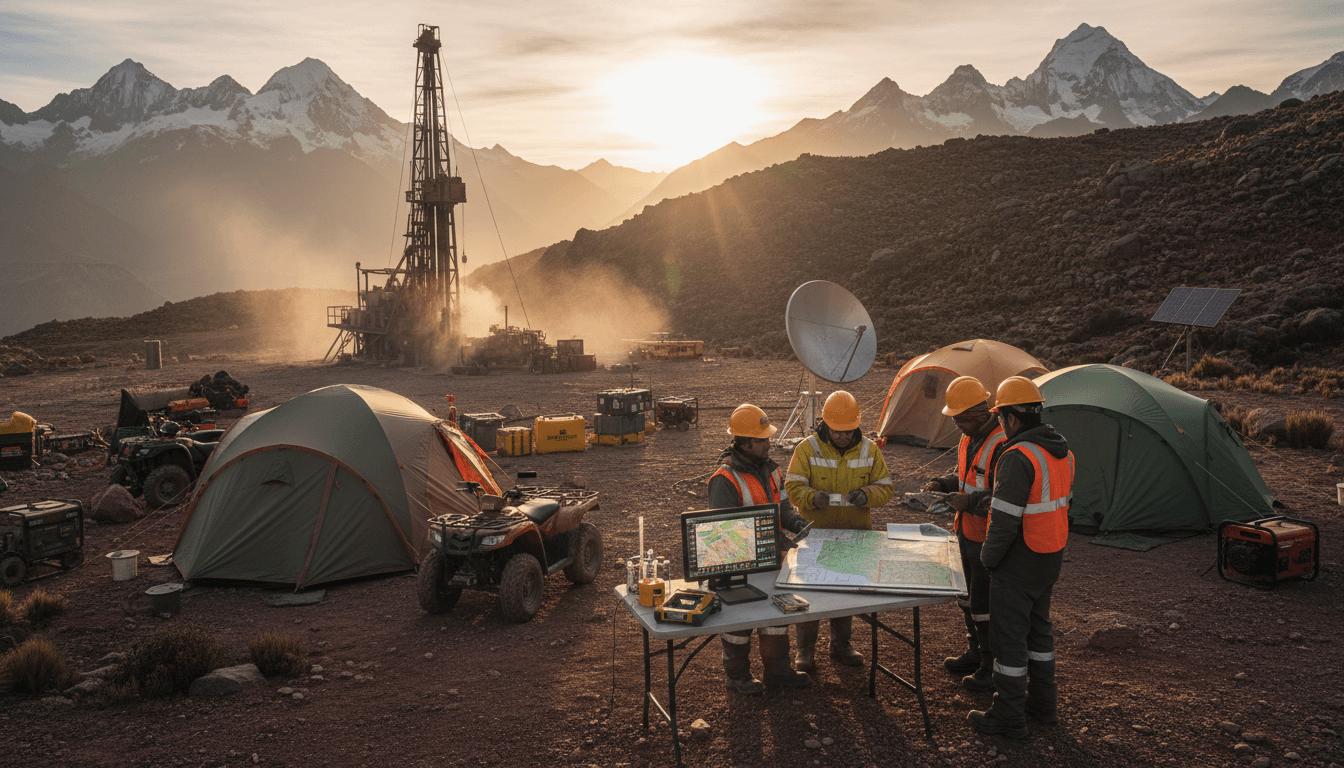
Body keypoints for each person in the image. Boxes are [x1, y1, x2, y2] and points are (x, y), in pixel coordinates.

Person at [968, 377, 1073, 739]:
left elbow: (1004, 519)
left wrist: (988, 559)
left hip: (1019, 561)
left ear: (1011, 418)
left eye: (1000, 417)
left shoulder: (1017, 456)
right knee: (1039, 636)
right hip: (1049, 558)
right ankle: (1044, 707)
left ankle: (1008, 717)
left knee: (1009, 642)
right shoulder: (1061, 452)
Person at [784, 391, 895, 673]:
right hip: (816, 536)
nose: (843, 437)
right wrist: (811, 498)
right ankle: (805, 651)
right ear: (825, 424)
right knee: (809, 593)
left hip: (854, 534)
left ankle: (840, 645)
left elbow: (886, 487)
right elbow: (793, 486)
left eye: (849, 431)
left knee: (845, 592)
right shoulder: (807, 449)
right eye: (837, 431)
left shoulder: (870, 450)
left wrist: (867, 494)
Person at [707, 404, 812, 695]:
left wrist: (796, 522)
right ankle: (737, 675)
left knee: (775, 615)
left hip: (771, 560)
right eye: (762, 439)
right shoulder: (724, 479)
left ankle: (777, 670)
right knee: (739, 621)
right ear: (744, 443)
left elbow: (782, 507)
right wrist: (770, 538)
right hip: (740, 565)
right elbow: (721, 531)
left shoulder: (772, 469)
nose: (769, 443)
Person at [923, 376, 1006, 692]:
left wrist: (969, 502)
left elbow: (1003, 497)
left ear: (981, 410)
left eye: (961, 417)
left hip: (986, 537)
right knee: (966, 598)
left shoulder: (1001, 443)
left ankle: (990, 666)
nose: (956, 422)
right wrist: (945, 484)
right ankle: (975, 652)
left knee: (984, 605)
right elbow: (967, 475)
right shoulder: (968, 438)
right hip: (964, 532)